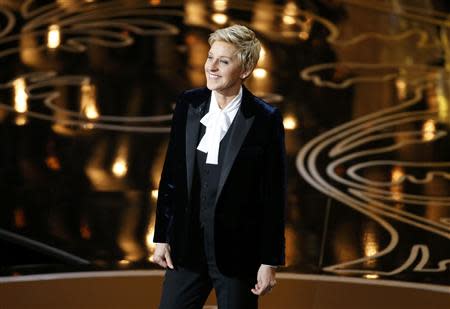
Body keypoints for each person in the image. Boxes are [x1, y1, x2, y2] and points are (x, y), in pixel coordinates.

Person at [153, 24, 286, 309]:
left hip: (238, 253)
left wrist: (269, 260)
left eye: (223, 61)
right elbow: (172, 176)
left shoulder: (265, 119)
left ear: (245, 70)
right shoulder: (189, 104)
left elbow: (273, 196)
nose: (211, 67)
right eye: (210, 57)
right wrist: (162, 236)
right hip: (186, 248)